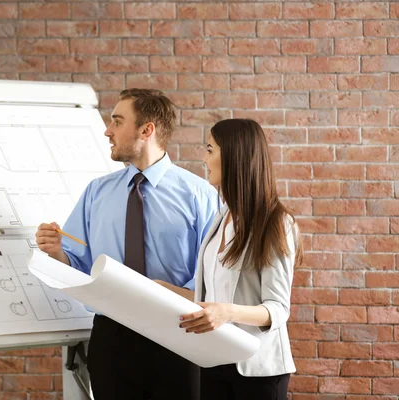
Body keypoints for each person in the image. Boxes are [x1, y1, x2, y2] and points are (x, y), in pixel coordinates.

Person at [35, 88, 219, 399]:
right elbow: (78, 264)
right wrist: (56, 253)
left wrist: (180, 300)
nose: (108, 131)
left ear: (147, 130)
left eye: (117, 122)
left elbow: (214, 270)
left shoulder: (200, 195)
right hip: (112, 337)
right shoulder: (97, 192)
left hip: (178, 333)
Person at [178, 118, 302, 400]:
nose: (203, 158)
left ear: (234, 156)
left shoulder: (276, 223)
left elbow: (278, 309)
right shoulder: (221, 217)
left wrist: (227, 312)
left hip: (257, 370)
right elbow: (210, 293)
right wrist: (162, 289)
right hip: (214, 361)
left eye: (209, 150)